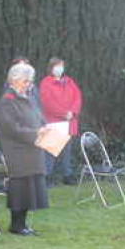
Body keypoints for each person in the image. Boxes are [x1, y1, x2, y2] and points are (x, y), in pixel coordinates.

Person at [0, 63, 49, 236]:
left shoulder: (28, 97)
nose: (29, 85)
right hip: (18, 152)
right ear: (14, 80)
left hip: (32, 151)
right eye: (26, 81)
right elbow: (12, 129)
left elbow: (38, 118)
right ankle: (16, 225)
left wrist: (45, 128)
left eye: (30, 81)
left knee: (30, 189)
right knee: (20, 189)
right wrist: (35, 133)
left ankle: (23, 224)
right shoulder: (7, 102)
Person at [39, 57, 82, 186]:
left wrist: (72, 112)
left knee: (66, 151)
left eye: (61, 65)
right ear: (51, 68)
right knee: (50, 151)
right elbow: (47, 103)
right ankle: (46, 176)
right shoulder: (46, 83)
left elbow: (77, 97)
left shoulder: (69, 82)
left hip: (69, 122)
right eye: (57, 66)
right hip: (54, 122)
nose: (60, 68)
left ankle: (67, 175)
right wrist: (64, 113)